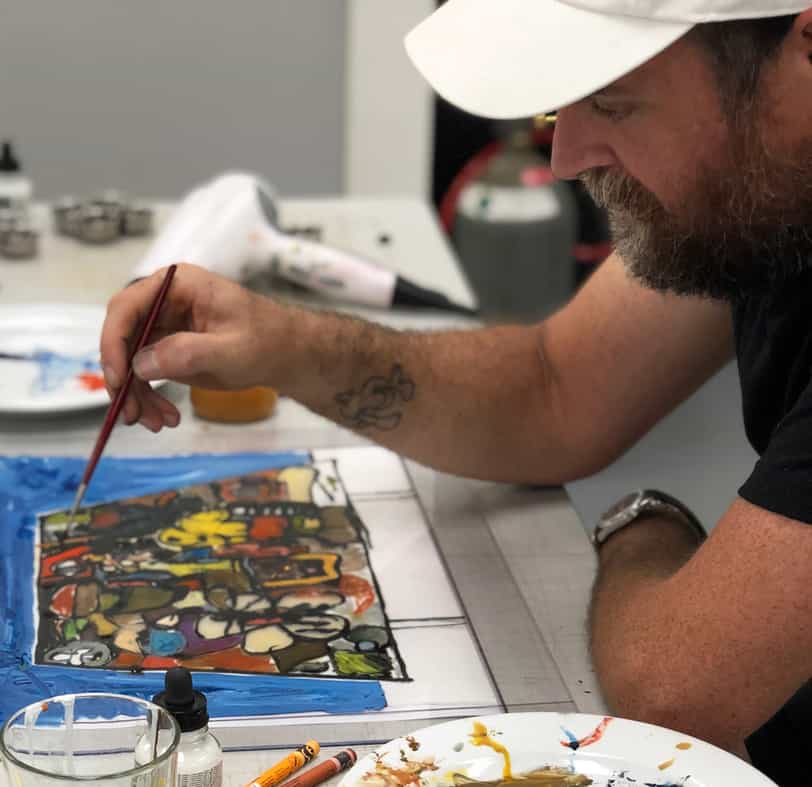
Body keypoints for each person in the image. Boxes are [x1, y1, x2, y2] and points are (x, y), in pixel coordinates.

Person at [99, 1, 812, 783]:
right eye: (560, 102)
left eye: (613, 101)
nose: (569, 155)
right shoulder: (759, 193)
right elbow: (553, 389)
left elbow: (678, 687)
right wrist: (279, 342)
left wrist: (642, 524)